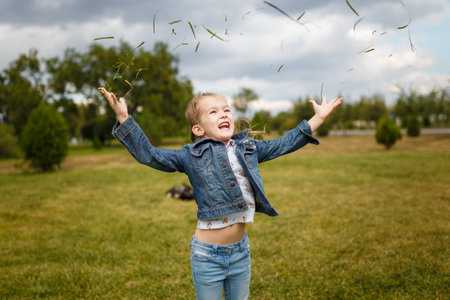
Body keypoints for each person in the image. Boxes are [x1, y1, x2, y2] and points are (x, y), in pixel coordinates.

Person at [98, 87, 342, 300]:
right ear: (199, 129)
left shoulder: (248, 149)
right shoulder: (190, 156)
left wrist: (317, 118)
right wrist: (124, 117)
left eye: (226, 110)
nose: (224, 114)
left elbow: (284, 143)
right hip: (207, 256)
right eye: (213, 112)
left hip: (240, 252)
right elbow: (150, 155)